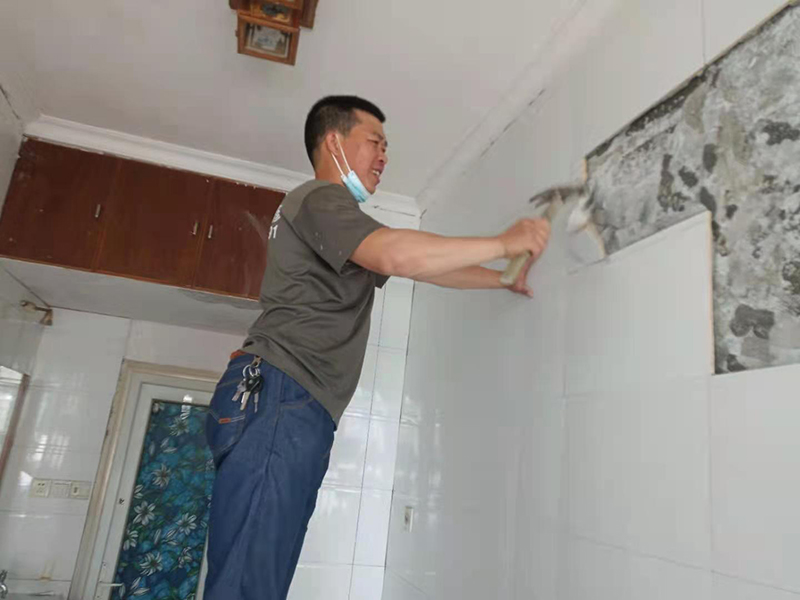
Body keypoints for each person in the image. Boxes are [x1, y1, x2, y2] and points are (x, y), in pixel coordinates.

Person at [203, 95, 550, 600]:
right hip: (281, 394)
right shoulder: (320, 199)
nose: (385, 157)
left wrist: (501, 278)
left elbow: (421, 266)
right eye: (375, 142)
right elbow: (397, 254)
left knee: (259, 578)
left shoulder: (334, 221)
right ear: (333, 141)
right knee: (249, 583)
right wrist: (503, 242)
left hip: (291, 403)